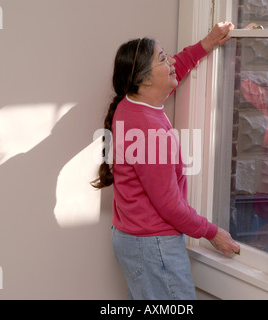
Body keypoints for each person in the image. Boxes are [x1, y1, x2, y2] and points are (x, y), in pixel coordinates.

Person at [92, 22, 240, 300]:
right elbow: (169, 205)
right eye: (162, 59)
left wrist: (207, 42)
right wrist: (212, 233)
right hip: (153, 247)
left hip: (137, 242)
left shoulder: (132, 104)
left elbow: (177, 68)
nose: (171, 61)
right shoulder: (148, 131)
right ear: (145, 79)